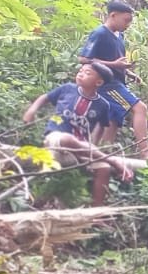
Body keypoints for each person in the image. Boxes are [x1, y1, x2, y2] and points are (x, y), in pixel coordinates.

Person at [23, 65, 136, 206]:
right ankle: (114, 161)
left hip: (80, 149)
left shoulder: (102, 105)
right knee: (68, 139)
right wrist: (31, 111)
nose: (81, 74)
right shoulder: (67, 89)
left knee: (103, 168)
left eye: (87, 73)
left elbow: (101, 127)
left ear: (99, 82)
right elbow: (44, 98)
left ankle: (96, 212)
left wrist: (93, 146)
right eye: (80, 71)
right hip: (56, 139)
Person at [78, 0, 148, 158]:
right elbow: (83, 59)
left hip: (117, 82)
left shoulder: (119, 36)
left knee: (113, 120)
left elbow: (117, 62)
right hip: (107, 85)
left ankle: (101, 155)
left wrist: (128, 73)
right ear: (113, 15)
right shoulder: (100, 33)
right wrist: (113, 64)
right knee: (140, 108)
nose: (128, 24)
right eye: (126, 20)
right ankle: (145, 152)